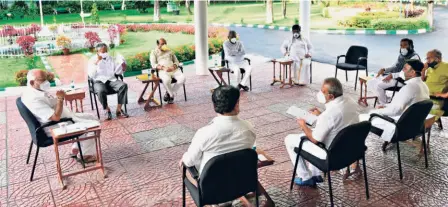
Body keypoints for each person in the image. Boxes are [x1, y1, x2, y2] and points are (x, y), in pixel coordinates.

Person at [285, 78, 359, 186]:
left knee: (289, 139)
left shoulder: (329, 115)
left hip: (332, 155)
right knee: (320, 133)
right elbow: (338, 120)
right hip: (350, 150)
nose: (320, 93)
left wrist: (303, 125)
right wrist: (320, 115)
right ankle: (315, 174)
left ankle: (305, 177)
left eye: (323, 92)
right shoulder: (350, 101)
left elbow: (314, 139)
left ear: (331, 96)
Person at [179, 86, 256, 183]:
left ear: (214, 106)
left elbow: (189, 161)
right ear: (237, 104)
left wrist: (184, 158)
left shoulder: (204, 133)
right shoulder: (249, 128)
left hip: (212, 188)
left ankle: (202, 194)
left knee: (183, 165)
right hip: (242, 184)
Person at [21, 69, 98, 162]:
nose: (46, 82)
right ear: (32, 82)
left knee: (91, 117)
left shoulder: (36, 89)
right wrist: (60, 99)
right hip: (56, 125)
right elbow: (55, 117)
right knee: (94, 126)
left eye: (46, 78)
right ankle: (85, 155)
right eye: (42, 79)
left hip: (65, 118)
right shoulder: (33, 98)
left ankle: (76, 147)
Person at [359, 60, 429, 151]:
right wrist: (387, 106)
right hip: (416, 127)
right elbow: (406, 106)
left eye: (404, 69)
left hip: (399, 129)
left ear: (412, 72)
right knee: (380, 110)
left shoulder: (409, 87)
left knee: (362, 117)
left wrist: (376, 111)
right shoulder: (424, 86)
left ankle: (356, 153)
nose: (402, 71)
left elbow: (395, 111)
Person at [367, 38, 420, 106]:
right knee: (371, 82)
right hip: (395, 77)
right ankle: (385, 99)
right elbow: (395, 66)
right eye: (401, 45)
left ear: (411, 46)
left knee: (379, 86)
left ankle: (384, 105)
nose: (402, 47)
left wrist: (392, 75)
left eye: (405, 45)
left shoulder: (414, 57)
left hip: (404, 80)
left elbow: (407, 73)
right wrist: (384, 70)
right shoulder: (401, 55)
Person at [88, 43, 129, 120]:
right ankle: (107, 109)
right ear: (97, 52)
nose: (105, 53)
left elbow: (117, 72)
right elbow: (91, 75)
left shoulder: (111, 58)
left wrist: (123, 67)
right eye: (103, 52)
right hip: (99, 81)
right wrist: (97, 62)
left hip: (111, 80)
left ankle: (119, 109)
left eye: (106, 51)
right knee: (100, 90)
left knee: (123, 85)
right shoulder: (92, 60)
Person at [150, 38, 186, 104]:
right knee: (166, 80)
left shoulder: (170, 51)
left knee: (182, 78)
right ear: (158, 44)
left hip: (173, 69)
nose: (164, 45)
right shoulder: (154, 52)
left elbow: (176, 61)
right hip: (163, 71)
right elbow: (153, 64)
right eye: (162, 44)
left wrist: (173, 67)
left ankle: (169, 93)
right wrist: (163, 68)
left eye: (165, 43)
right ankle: (171, 95)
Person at [422, 49, 448, 123]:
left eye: (429, 58)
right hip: (425, 96)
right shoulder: (430, 68)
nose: (427, 60)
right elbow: (423, 80)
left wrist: (444, 95)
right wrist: (423, 70)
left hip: (436, 98)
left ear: (437, 59)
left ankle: (422, 128)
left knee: (423, 117)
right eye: (426, 58)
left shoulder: (446, 67)